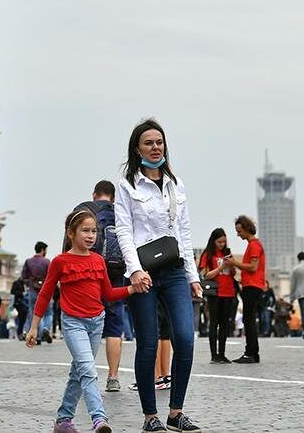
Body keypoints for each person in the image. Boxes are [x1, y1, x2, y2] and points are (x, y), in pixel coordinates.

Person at [113, 120, 202, 433]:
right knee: (148, 343)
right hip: (143, 274)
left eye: (159, 142)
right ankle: (151, 417)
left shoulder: (175, 185)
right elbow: (123, 230)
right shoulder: (127, 186)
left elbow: (184, 233)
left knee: (185, 340)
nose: (155, 147)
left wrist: (193, 276)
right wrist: (135, 270)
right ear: (137, 149)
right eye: (148, 142)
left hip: (175, 270)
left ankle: (176, 412)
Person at [26, 206, 139, 433]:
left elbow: (107, 294)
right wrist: (34, 326)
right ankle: (99, 419)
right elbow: (46, 294)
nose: (90, 236)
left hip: (97, 322)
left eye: (94, 231)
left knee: (78, 371)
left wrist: (132, 288)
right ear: (71, 233)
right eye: (85, 231)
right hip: (73, 323)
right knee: (88, 370)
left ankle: (63, 420)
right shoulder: (60, 261)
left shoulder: (98, 260)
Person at [85, 180, 125, 390]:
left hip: (88, 274)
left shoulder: (82, 210)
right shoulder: (121, 212)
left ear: (94, 194)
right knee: (114, 328)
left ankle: (86, 373)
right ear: (113, 196)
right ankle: (113, 377)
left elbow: (69, 242)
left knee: (85, 325)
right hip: (116, 276)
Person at [226, 215, 264, 363]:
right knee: (249, 319)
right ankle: (253, 352)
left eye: (239, 231)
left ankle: (251, 353)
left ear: (247, 229)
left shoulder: (254, 245)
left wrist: (235, 263)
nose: (238, 234)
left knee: (249, 320)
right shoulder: (253, 244)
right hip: (252, 285)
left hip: (253, 286)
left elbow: (253, 267)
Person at [198, 227, 237, 363]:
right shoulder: (208, 254)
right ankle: (214, 355)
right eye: (220, 242)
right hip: (215, 292)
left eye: (224, 242)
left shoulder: (227, 252)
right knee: (214, 323)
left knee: (224, 324)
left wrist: (231, 266)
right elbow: (205, 274)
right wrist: (221, 268)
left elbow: (233, 274)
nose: (222, 244)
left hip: (228, 291)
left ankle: (222, 353)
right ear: (214, 241)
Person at [22, 242, 53, 343]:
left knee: (34, 313)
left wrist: (31, 282)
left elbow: (23, 277)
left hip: (32, 291)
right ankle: (45, 329)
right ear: (43, 250)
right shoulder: (47, 262)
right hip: (45, 290)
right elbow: (52, 277)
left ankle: (38, 336)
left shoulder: (28, 261)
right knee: (48, 313)